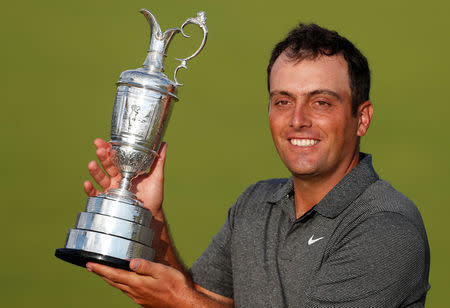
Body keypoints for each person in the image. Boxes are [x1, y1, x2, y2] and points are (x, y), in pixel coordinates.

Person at [84, 23, 430, 307]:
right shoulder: (255, 205)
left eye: (321, 102)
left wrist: (178, 301)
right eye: (283, 101)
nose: (297, 120)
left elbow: (187, 302)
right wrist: (150, 219)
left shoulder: (385, 226)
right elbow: (203, 298)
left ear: (362, 118)